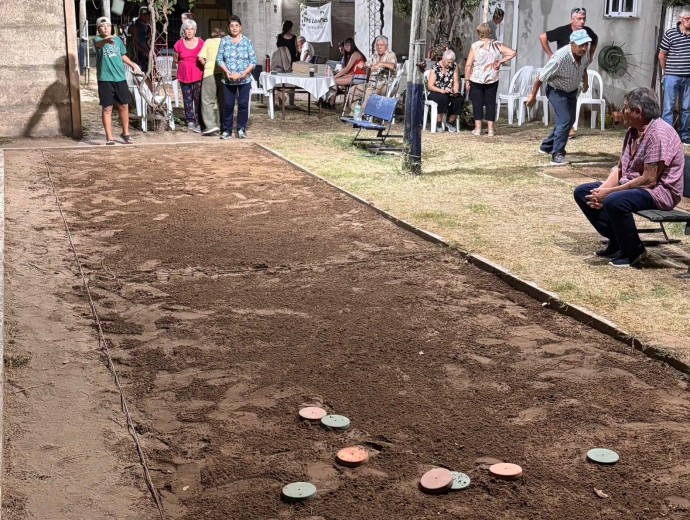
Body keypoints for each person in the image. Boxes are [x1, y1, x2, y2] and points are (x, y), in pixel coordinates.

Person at [573, 87, 685, 268]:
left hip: (659, 192)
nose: (621, 111)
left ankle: (634, 251)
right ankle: (618, 241)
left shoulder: (658, 134)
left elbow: (649, 179)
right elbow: (620, 169)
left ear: (638, 112)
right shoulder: (633, 132)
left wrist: (609, 193)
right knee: (583, 193)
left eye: (625, 108)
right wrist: (602, 190)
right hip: (636, 187)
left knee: (614, 201)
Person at [526, 29, 591, 165]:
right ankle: (558, 154)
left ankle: (546, 146)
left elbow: (584, 68)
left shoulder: (585, 54)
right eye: (581, 45)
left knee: (569, 119)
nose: (584, 48)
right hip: (556, 90)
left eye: (586, 44)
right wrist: (533, 95)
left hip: (572, 91)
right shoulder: (560, 57)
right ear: (572, 44)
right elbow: (542, 76)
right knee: (566, 119)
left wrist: (585, 81)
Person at [540, 7, 598, 139]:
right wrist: (550, 54)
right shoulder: (563, 31)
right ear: (572, 20)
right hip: (560, 74)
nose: (582, 21)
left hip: (575, 73)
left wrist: (591, 55)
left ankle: (550, 142)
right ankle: (564, 136)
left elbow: (594, 41)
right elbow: (543, 37)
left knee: (568, 114)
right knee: (564, 113)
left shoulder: (588, 33)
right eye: (579, 19)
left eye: (584, 19)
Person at [93, 16, 141, 145]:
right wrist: (106, 41)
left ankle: (125, 133)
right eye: (103, 26)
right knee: (107, 108)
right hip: (105, 79)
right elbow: (99, 44)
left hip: (120, 78)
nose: (106, 28)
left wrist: (132, 64)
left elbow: (122, 54)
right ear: (99, 29)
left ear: (111, 27)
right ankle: (109, 137)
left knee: (124, 106)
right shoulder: (97, 39)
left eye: (108, 26)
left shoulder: (118, 40)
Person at [465, 22, 516, 137]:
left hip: (477, 78)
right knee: (490, 103)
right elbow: (512, 53)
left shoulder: (475, 46)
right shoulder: (497, 44)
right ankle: (491, 130)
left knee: (477, 103)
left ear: (479, 33)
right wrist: (500, 62)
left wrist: (467, 80)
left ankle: (478, 129)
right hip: (492, 77)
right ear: (490, 32)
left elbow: (468, 65)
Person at [216, 15, 257, 139]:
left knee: (243, 105)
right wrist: (227, 72)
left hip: (244, 80)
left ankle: (241, 129)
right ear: (229, 28)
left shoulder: (247, 41)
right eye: (232, 26)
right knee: (228, 105)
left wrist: (244, 74)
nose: (234, 28)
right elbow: (219, 59)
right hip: (228, 80)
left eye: (236, 26)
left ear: (240, 27)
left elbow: (253, 61)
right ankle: (227, 130)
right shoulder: (224, 41)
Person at [658, 9, 690, 145]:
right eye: (687, 18)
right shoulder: (670, 33)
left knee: (686, 107)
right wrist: (668, 71)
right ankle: (667, 135)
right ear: (680, 19)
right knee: (669, 106)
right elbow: (662, 55)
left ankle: (685, 135)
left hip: (688, 77)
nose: (689, 21)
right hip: (672, 76)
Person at [174, 20, 205, 132]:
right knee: (187, 99)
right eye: (187, 29)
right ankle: (190, 120)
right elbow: (176, 59)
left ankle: (199, 121)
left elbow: (204, 56)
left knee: (198, 99)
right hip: (184, 75)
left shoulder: (201, 42)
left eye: (192, 29)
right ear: (184, 31)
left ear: (195, 30)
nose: (190, 31)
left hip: (198, 75)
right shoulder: (179, 44)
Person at [197, 27, 226, 136]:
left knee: (207, 100)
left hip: (210, 73)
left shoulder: (208, 41)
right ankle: (220, 124)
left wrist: (207, 65)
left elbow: (200, 57)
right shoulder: (225, 42)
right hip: (223, 73)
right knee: (221, 101)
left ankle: (210, 125)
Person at [427, 49, 463, 133]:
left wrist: (455, 91)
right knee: (443, 98)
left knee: (459, 99)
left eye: (451, 62)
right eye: (448, 62)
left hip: (449, 91)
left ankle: (450, 122)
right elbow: (430, 86)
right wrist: (441, 90)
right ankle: (439, 123)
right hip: (436, 91)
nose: (450, 64)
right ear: (443, 59)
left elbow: (456, 81)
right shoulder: (435, 68)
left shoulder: (454, 66)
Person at [358, 35, 397, 108]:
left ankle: (363, 115)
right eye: (377, 45)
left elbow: (392, 66)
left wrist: (380, 64)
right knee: (354, 89)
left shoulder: (391, 54)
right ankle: (353, 113)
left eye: (381, 45)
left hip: (386, 85)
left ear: (386, 45)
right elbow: (367, 64)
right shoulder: (375, 55)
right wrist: (362, 64)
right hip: (372, 83)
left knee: (369, 92)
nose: (379, 47)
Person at [325, 37, 365, 108]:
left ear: (352, 45)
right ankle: (329, 101)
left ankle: (331, 103)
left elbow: (347, 68)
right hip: (354, 75)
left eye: (348, 45)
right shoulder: (349, 55)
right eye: (345, 45)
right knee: (333, 80)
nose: (346, 47)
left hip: (360, 76)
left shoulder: (355, 54)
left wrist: (336, 76)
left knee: (333, 80)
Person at [131, 6, 151, 73]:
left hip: (141, 47)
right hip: (139, 49)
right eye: (145, 15)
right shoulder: (140, 24)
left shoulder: (141, 24)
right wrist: (145, 50)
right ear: (140, 15)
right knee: (141, 69)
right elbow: (137, 39)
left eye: (147, 15)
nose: (147, 17)